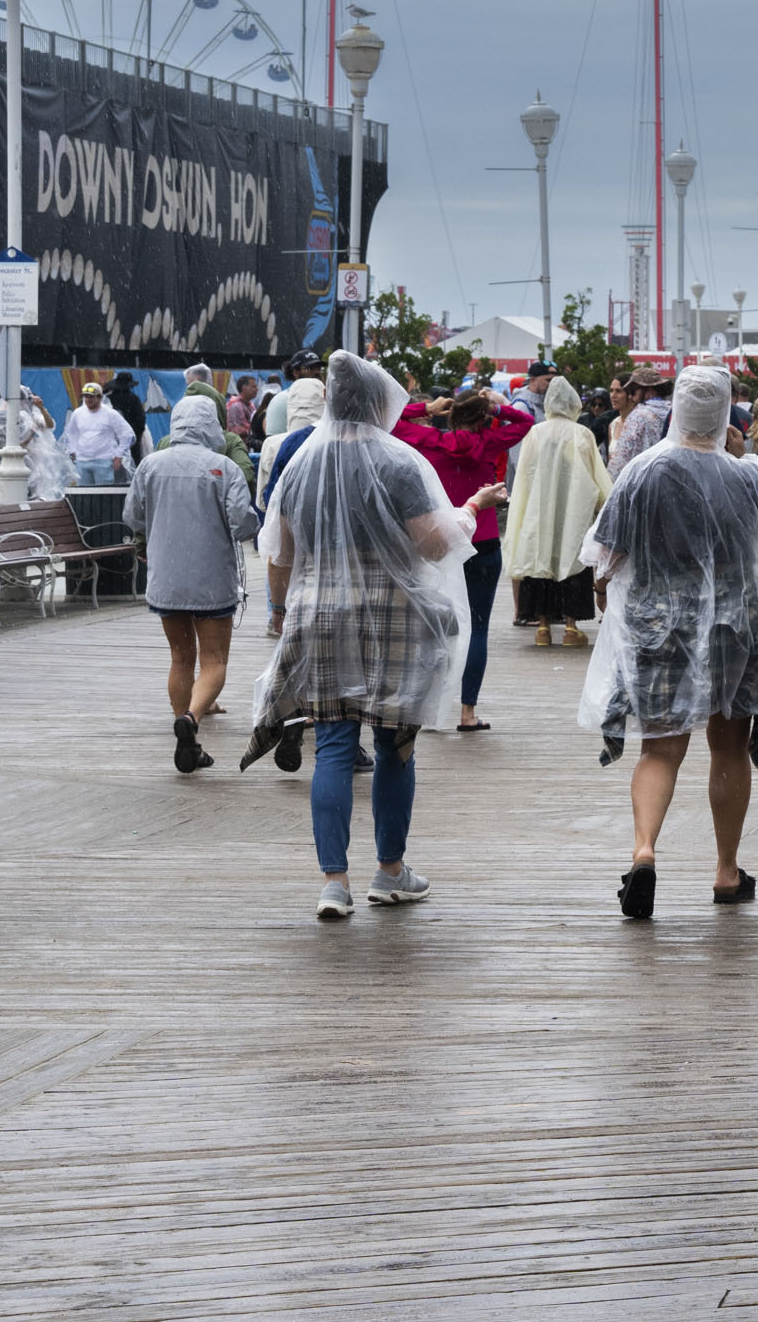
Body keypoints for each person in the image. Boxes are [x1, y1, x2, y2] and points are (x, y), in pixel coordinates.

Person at [242, 353, 481, 919]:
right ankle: (390, 872)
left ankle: (334, 882)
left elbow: (283, 550)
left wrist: (282, 610)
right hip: (392, 613)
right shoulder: (399, 461)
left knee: (332, 744)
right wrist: (468, 512)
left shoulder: (302, 464)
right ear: (379, 402)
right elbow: (434, 545)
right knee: (395, 744)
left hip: (319, 612)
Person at [581, 366, 758, 919]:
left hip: (662, 624)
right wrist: (738, 459)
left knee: (661, 747)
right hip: (740, 622)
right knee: (728, 745)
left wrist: (605, 596)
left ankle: (643, 851)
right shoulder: (750, 476)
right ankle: (727, 871)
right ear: (727, 412)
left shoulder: (643, 472)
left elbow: (604, 556)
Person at [127, 393, 262, 773]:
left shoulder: (151, 465)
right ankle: (192, 719)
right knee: (214, 660)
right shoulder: (224, 467)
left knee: (179, 658)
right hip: (211, 580)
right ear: (212, 426)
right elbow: (242, 524)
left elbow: (132, 517)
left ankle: (184, 729)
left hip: (167, 579)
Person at [394, 386, 537, 730]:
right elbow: (526, 420)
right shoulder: (489, 443)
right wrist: (499, 409)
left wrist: (427, 406)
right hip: (483, 542)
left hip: (441, 544)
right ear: (482, 419)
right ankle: (467, 713)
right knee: (478, 629)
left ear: (452, 416)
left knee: (434, 628)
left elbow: (393, 423)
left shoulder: (430, 442)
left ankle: (429, 710)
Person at [507, 378, 610, 649]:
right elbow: (596, 476)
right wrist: (606, 503)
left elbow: (524, 475)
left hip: (539, 511)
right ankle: (570, 628)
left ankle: (542, 627)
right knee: (572, 562)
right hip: (573, 513)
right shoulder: (582, 434)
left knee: (542, 562)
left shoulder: (535, 433)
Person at [59, 382, 132, 484]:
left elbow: (126, 434)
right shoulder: (78, 413)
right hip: (82, 462)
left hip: (104, 461)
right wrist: (72, 450)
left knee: (102, 495)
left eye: (91, 397)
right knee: (84, 496)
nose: (88, 400)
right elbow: (71, 433)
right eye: (86, 397)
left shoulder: (110, 414)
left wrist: (118, 456)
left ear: (99, 397)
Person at [608, 368, 672, 475]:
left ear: (648, 390)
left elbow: (620, 461)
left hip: (641, 482)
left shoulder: (638, 416)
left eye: (633, 391)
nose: (631, 396)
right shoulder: (673, 413)